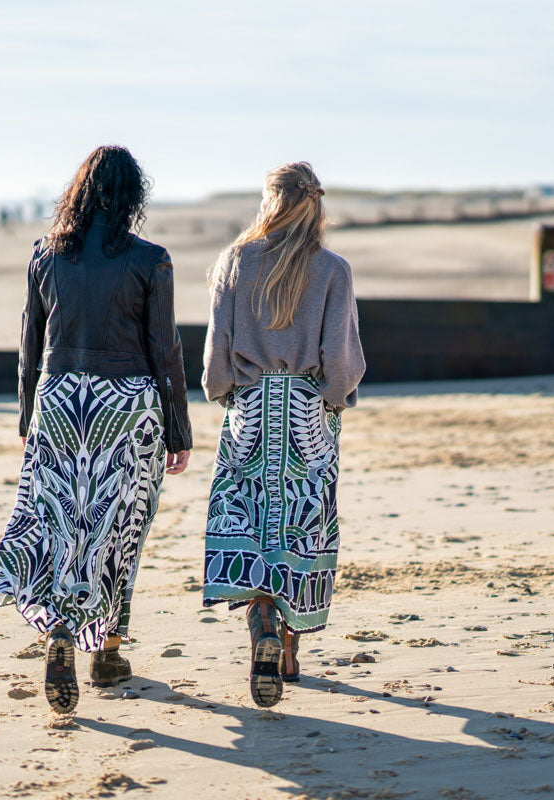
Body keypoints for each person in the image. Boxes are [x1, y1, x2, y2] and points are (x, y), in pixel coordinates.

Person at [0, 145, 192, 715]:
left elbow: (29, 346)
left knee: (60, 527)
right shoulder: (152, 260)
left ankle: (61, 635)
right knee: (119, 530)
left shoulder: (44, 256)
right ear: (132, 198)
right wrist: (178, 430)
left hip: (58, 401)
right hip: (126, 408)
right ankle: (106, 652)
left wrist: (29, 417)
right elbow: (165, 351)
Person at [201, 161, 365, 708]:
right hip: (306, 410)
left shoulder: (235, 260)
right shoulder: (333, 269)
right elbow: (340, 359)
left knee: (248, 520)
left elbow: (215, 358)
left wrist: (224, 392)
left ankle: (262, 617)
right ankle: (288, 649)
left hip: (249, 408)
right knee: (300, 522)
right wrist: (335, 400)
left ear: (269, 201)